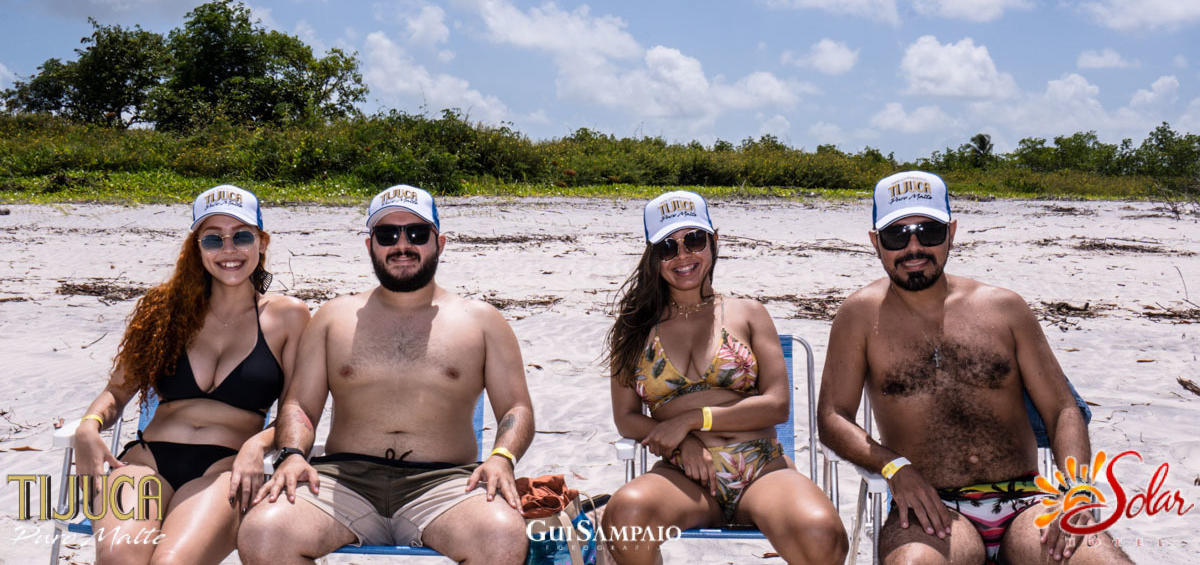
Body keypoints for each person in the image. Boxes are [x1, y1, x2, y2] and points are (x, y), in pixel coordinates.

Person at [818, 170, 1132, 564]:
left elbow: (1063, 408)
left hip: (1027, 501)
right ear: (875, 243)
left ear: (951, 232)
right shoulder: (860, 316)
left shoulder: (1003, 309)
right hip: (931, 506)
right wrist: (894, 467)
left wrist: (1077, 489)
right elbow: (832, 417)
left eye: (928, 232)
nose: (913, 248)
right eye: (896, 236)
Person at [237, 184, 535, 565]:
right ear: (370, 245)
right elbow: (300, 404)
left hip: (446, 484)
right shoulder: (334, 317)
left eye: (417, 233)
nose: (402, 244)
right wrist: (293, 453)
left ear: (439, 243)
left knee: (501, 537)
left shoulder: (481, 321)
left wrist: (502, 457)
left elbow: (516, 406)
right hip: (342, 481)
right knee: (263, 533)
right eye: (387, 234)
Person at [601, 190, 847, 565]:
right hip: (684, 474)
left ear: (714, 241)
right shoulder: (634, 329)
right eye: (668, 247)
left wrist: (692, 421)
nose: (683, 256)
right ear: (653, 258)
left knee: (823, 536)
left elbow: (777, 405)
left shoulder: (748, 313)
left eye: (694, 240)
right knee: (624, 519)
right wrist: (683, 445)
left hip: (761, 468)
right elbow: (626, 417)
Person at [73, 184, 310, 564]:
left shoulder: (288, 316)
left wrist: (257, 445)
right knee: (118, 556)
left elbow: (297, 408)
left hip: (225, 469)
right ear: (196, 246)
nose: (228, 250)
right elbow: (117, 392)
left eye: (242, 236)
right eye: (213, 239)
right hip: (144, 462)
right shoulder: (163, 310)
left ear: (262, 243)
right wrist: (88, 426)